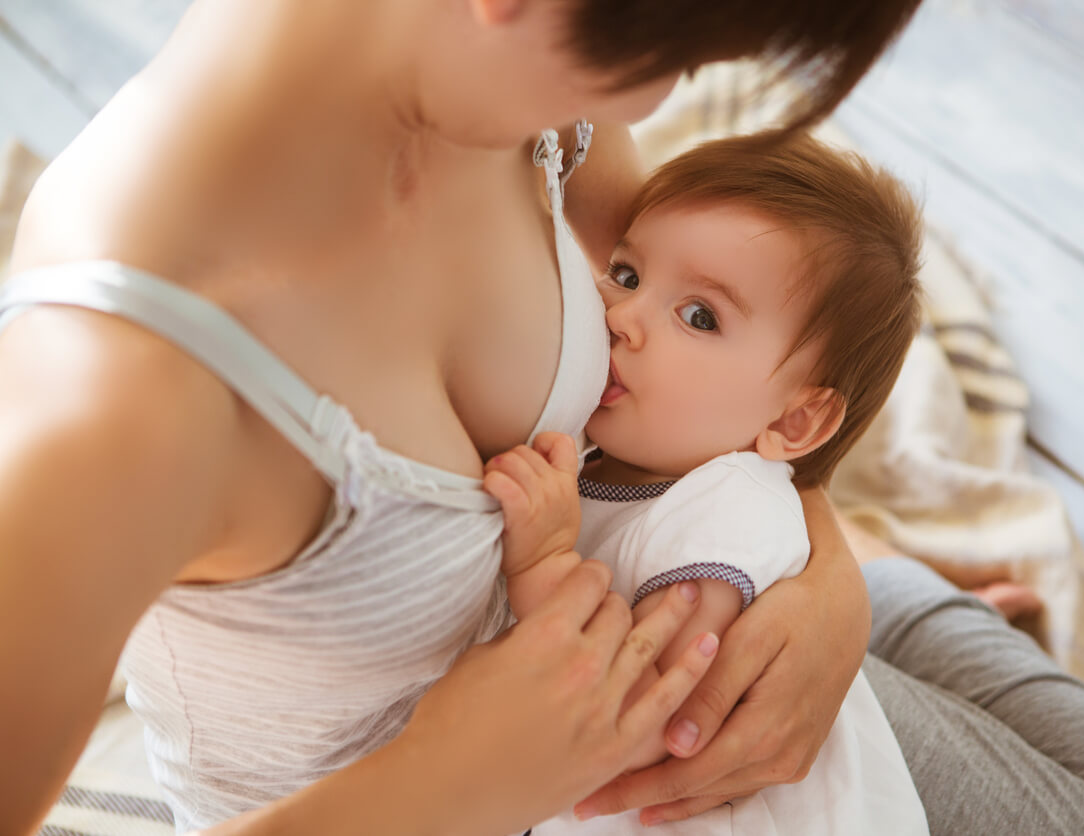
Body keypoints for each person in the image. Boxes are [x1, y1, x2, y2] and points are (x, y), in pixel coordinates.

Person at [0, 1, 927, 834]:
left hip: (768, 715)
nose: (651, 102)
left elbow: (756, 388)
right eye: (671, 55)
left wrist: (828, 580)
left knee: (1004, 714)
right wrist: (445, 779)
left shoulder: (532, 103)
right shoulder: (111, 394)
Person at [482, 133, 930, 834]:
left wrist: (545, 565)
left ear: (796, 419)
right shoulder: (618, 453)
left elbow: (643, 728)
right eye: (626, 274)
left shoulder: (727, 518)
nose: (620, 317)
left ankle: (935, 606)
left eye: (699, 317)